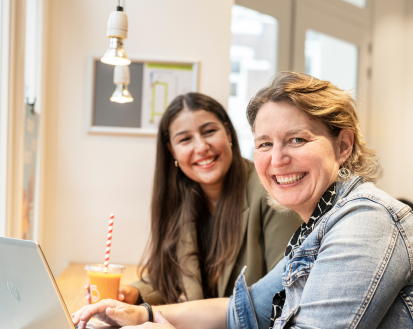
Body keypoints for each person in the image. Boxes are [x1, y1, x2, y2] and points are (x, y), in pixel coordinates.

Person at [73, 72, 413, 329]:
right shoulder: (319, 224)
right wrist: (145, 315)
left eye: (297, 139)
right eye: (265, 144)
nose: (277, 160)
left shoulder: (367, 220)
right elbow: (242, 310)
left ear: (343, 145)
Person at [88, 92, 301, 305]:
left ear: (228, 132)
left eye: (209, 131)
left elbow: (284, 289)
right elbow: (172, 277)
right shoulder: (181, 197)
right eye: (185, 139)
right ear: (172, 150)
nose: (201, 147)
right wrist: (131, 293)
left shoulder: (271, 191)